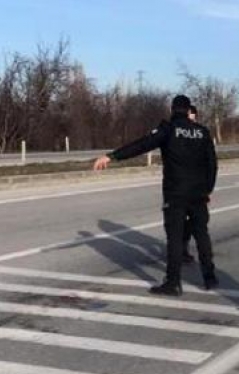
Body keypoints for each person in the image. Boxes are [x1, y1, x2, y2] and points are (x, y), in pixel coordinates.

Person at [93, 95, 219, 295]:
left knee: (175, 239)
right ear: (188, 111)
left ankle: (173, 282)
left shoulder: (168, 130)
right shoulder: (202, 132)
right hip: (198, 193)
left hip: (175, 193)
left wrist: (112, 156)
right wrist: (208, 189)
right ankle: (210, 277)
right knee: (202, 234)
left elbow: (141, 145)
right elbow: (212, 164)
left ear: (172, 110)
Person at [181, 106, 199, 264]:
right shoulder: (178, 133)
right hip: (179, 184)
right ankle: (180, 249)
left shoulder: (199, 134)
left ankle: (183, 246)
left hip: (195, 186)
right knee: (179, 218)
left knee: (193, 220)